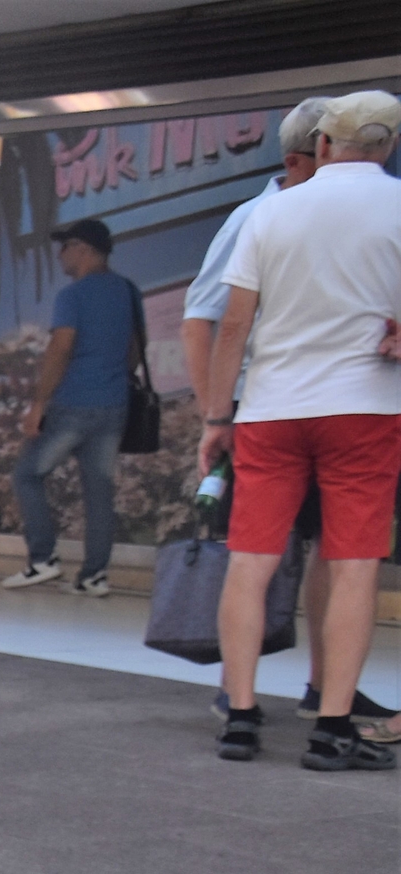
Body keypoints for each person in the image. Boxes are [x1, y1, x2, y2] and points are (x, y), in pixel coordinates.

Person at [199, 89, 401, 771]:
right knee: (352, 565)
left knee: (251, 559)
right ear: (389, 145)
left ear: (321, 146)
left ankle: (242, 717)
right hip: (365, 408)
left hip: (270, 409)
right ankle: (331, 728)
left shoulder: (271, 212)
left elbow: (233, 324)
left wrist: (216, 415)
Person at [3, 217, 140, 595]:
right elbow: (132, 351)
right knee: (99, 492)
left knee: (28, 474)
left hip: (73, 404)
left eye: (65, 247)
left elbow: (61, 347)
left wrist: (39, 404)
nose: (60, 254)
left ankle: (42, 559)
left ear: (84, 249)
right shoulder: (127, 291)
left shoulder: (73, 296)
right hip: (114, 406)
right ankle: (94, 576)